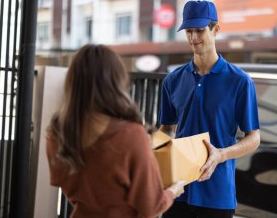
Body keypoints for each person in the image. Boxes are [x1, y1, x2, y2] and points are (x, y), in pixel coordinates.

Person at [46, 44, 185, 218]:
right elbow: (151, 206)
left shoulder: (57, 133)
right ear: (116, 82)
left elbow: (69, 185)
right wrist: (173, 191)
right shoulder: (131, 134)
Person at [159, 0, 261, 218]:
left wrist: (221, 155)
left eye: (200, 30)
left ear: (216, 30)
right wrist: (157, 155)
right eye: (189, 31)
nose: (193, 37)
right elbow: (166, 129)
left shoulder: (240, 81)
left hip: (217, 195)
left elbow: (253, 138)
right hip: (177, 190)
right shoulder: (172, 80)